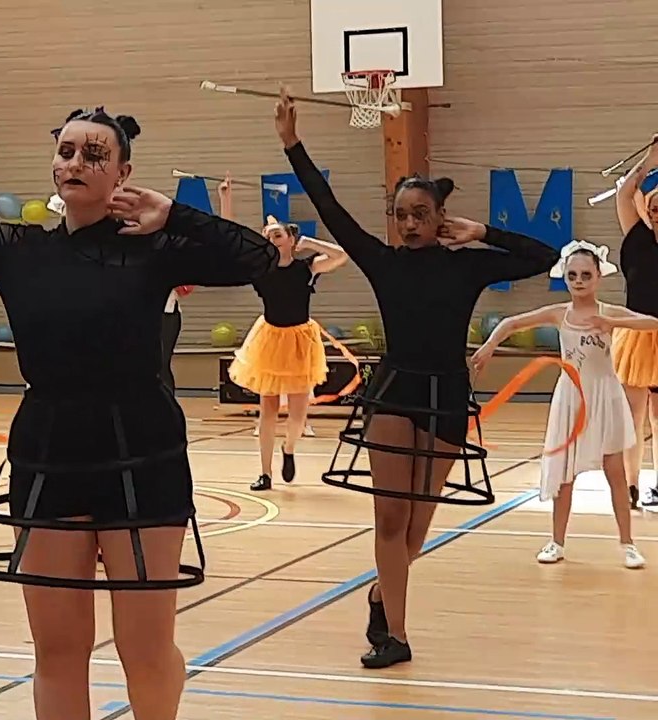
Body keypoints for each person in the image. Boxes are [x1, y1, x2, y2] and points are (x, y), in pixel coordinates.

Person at [0, 64, 277, 720]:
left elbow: (261, 258)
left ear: (122, 173)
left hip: (141, 447)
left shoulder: (155, 248)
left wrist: (176, 214)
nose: (76, 163)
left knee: (145, 647)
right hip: (50, 447)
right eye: (66, 151)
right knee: (58, 649)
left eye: (94, 154)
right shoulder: (18, 249)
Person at [274, 87, 558, 669]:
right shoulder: (383, 261)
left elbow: (545, 255)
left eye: (419, 214)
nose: (408, 223)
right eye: (401, 214)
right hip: (396, 394)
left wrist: (483, 232)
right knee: (390, 518)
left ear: (439, 217)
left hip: (446, 396)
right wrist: (292, 144)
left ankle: (382, 596)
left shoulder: (467, 265)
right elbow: (330, 208)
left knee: (416, 529)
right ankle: (396, 636)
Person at [473, 242, 648, 569]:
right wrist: (490, 344)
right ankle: (557, 542)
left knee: (615, 472)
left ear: (598, 276)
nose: (579, 281)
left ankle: (628, 544)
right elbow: (511, 322)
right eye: (573, 275)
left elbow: (651, 322)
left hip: (606, 396)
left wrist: (613, 324)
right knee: (564, 476)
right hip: (571, 398)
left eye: (586, 275)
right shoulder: (558, 313)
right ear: (564, 277)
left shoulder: (609, 312)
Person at [221, 168, 348, 490]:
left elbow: (341, 256)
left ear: (291, 240)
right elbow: (229, 242)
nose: (271, 239)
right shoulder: (261, 270)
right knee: (268, 410)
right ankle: (265, 472)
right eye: (268, 236)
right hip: (270, 340)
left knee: (298, 413)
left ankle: (289, 449)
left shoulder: (307, 268)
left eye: (277, 234)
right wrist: (226, 200)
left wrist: (310, 242)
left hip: (300, 341)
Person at [612, 141, 658, 509]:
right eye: (654, 207)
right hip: (637, 334)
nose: (657, 213)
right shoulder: (636, 238)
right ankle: (631, 485)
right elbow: (624, 194)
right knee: (633, 414)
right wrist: (650, 159)